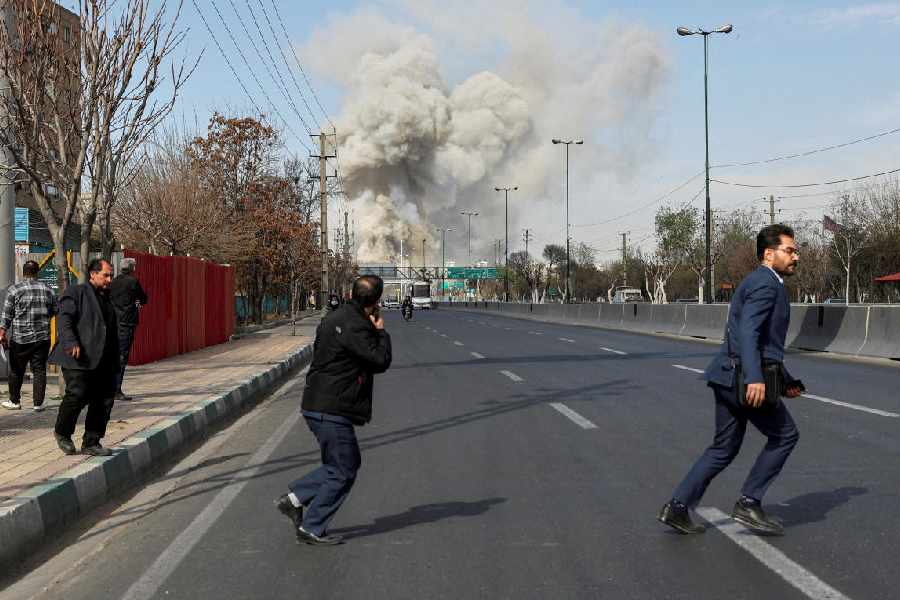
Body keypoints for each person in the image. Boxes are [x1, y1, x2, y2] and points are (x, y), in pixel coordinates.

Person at [658, 224, 804, 536]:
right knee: (785, 435)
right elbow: (748, 333)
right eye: (790, 250)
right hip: (743, 380)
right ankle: (749, 502)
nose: (796, 256)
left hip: (725, 377)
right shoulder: (768, 285)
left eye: (795, 250)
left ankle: (678, 507)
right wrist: (754, 378)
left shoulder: (757, 281)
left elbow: (763, 345)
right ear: (768, 254)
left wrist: (786, 381)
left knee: (723, 448)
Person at [274, 275, 392, 546]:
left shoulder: (334, 317)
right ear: (375, 302)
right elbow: (379, 360)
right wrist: (381, 331)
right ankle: (312, 526)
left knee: (339, 465)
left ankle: (294, 499)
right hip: (332, 408)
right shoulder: (357, 326)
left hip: (316, 403)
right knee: (344, 469)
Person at [50, 259, 120, 456]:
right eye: (106, 275)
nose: (109, 279)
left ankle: (91, 441)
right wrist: (71, 342)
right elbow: (64, 319)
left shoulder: (107, 297)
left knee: (104, 399)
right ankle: (62, 432)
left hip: (104, 359)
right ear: (92, 274)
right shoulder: (76, 293)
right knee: (77, 394)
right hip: (78, 357)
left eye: (111, 275)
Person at [0, 260, 57, 412]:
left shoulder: (14, 290)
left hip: (20, 338)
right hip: (42, 337)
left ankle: (15, 401)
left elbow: (7, 314)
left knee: (16, 369)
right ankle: (38, 404)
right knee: (39, 370)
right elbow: (54, 310)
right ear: (37, 272)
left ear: (23, 272)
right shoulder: (48, 289)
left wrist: (2, 333)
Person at [110, 257, 148, 402]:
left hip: (113, 322)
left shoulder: (113, 282)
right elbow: (143, 298)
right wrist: (136, 302)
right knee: (122, 356)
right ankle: (116, 390)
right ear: (132, 268)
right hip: (126, 323)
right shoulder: (133, 282)